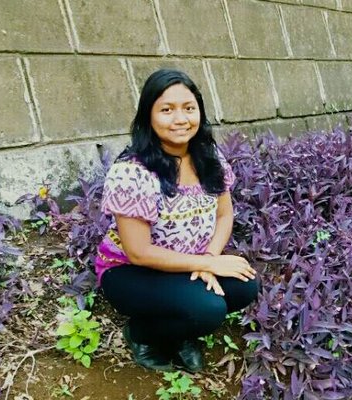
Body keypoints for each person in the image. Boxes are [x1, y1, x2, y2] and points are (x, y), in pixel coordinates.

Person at [95, 69, 259, 372]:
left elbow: (224, 214)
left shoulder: (209, 158)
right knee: (208, 310)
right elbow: (139, 252)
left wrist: (209, 257)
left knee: (245, 285)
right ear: (149, 116)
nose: (180, 119)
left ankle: (181, 330)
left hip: (190, 263)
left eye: (188, 108)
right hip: (132, 271)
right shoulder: (133, 172)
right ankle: (141, 334)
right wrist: (208, 265)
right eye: (167, 110)